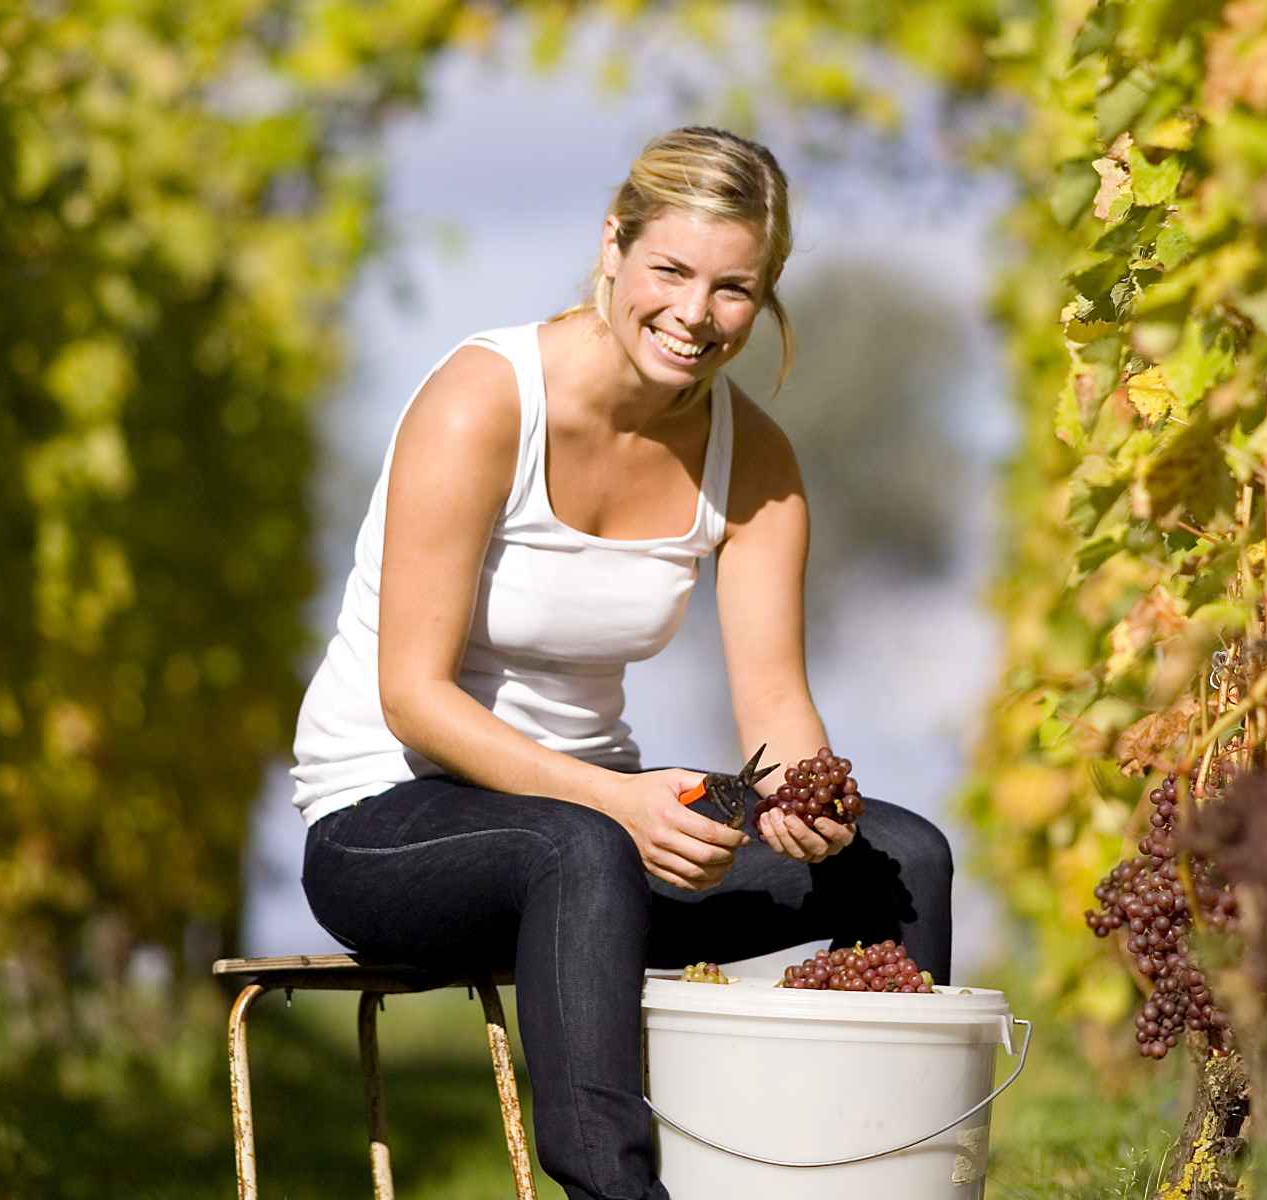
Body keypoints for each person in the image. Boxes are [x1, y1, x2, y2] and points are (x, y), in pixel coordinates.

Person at [292, 126, 954, 1200]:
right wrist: (619, 803)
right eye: (671, 271)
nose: (696, 315)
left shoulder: (756, 458)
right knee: (585, 850)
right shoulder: (485, 400)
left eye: (734, 288)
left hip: (600, 824)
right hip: (388, 819)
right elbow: (410, 698)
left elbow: (776, 700)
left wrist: (805, 797)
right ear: (613, 244)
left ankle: (877, 1170)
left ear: (767, 292)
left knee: (900, 855)